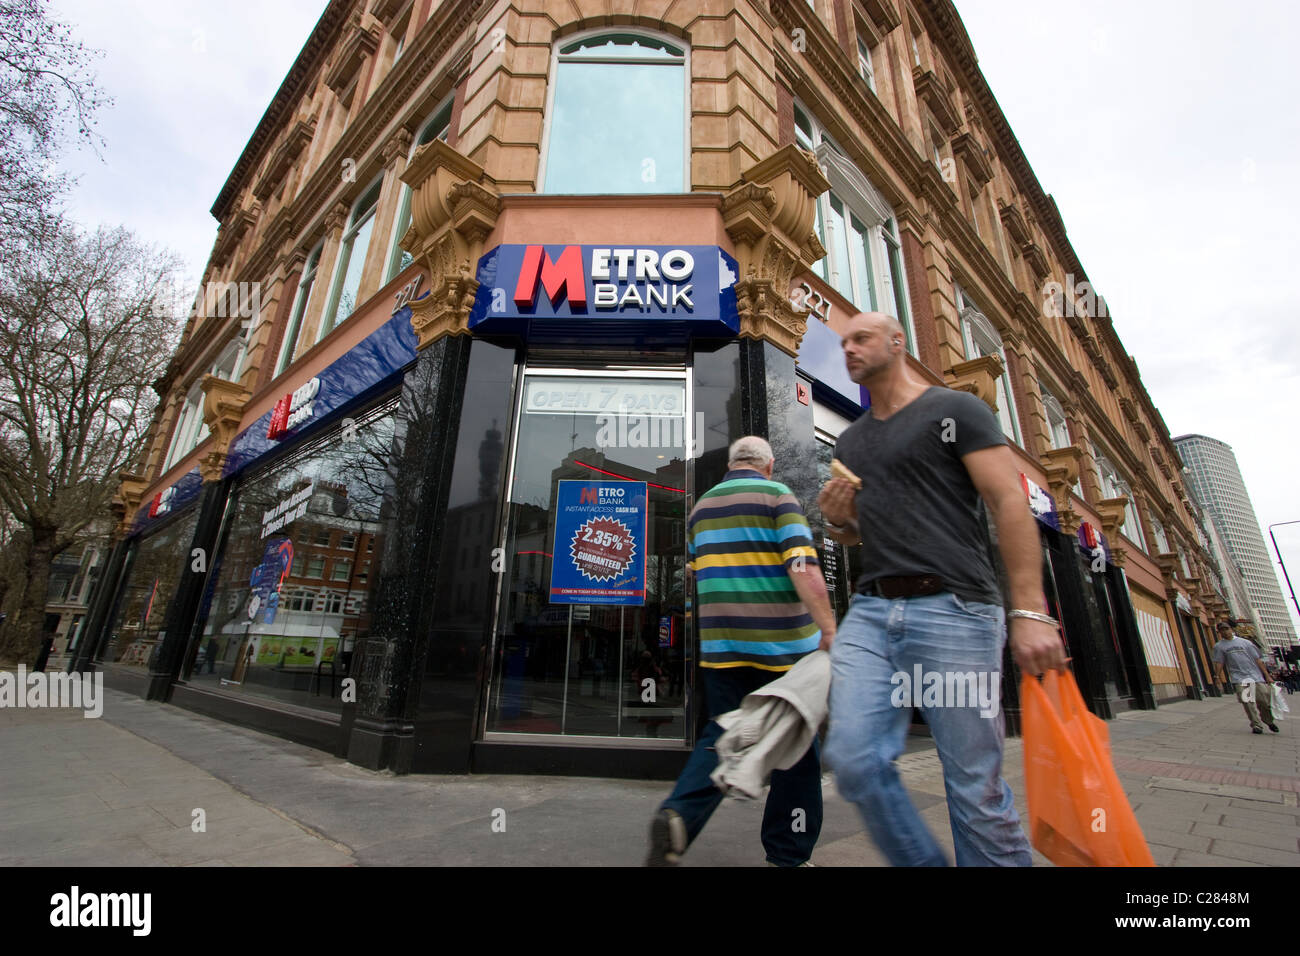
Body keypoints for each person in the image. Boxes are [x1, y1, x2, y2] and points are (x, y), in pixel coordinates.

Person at [817, 311, 1068, 867]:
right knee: (853, 758)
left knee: (973, 787)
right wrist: (840, 523)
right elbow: (859, 534)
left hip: (955, 608)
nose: (849, 349)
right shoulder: (853, 439)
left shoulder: (955, 410)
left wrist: (1029, 609)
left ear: (897, 342)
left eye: (861, 338)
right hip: (871, 610)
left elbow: (1008, 502)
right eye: (843, 342)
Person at [646, 436, 837, 867]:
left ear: (733, 465)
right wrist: (829, 630)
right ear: (768, 465)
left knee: (722, 736)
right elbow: (802, 568)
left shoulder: (700, 510)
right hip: (786, 652)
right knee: (797, 750)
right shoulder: (779, 496)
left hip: (722, 650)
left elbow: (694, 576)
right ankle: (789, 855)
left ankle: (680, 813)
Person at [1211, 621, 1277, 733]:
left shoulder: (1246, 643)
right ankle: (1256, 725)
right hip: (1239, 678)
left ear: (1232, 629)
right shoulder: (1219, 646)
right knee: (1248, 702)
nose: (1225, 631)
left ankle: (1268, 721)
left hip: (1255, 676)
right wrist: (1217, 677)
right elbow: (1219, 662)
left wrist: (1267, 676)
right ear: (1219, 632)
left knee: (1264, 701)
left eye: (1226, 628)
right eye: (1222, 629)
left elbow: (1258, 660)